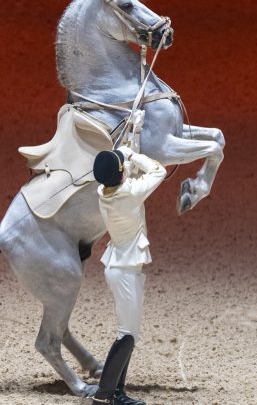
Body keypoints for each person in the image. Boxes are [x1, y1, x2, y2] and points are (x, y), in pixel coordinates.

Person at [91, 135, 166, 405]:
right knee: (127, 334)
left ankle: (117, 392)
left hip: (120, 265)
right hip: (125, 269)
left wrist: (124, 159)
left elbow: (122, 178)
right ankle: (105, 394)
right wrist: (132, 156)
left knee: (128, 333)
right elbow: (159, 170)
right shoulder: (130, 193)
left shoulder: (105, 192)